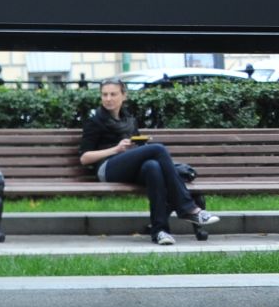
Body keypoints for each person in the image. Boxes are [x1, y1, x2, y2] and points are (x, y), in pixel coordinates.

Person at [79, 78, 217, 245]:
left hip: (128, 167)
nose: (108, 98)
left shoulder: (129, 120)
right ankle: (187, 208)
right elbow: (84, 158)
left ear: (124, 96)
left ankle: (160, 231)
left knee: (153, 167)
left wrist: (138, 148)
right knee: (158, 149)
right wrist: (115, 149)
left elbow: (135, 150)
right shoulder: (95, 121)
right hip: (107, 168)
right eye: (104, 94)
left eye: (113, 94)